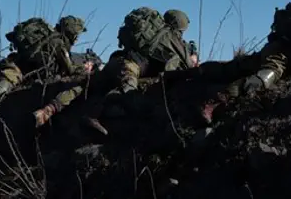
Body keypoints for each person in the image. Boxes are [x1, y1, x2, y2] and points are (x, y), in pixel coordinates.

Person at [32, 8, 197, 130]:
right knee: (128, 91)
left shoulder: (152, 28)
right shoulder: (173, 41)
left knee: (84, 85)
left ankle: (47, 110)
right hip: (130, 68)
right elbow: (189, 69)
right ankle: (94, 115)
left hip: (116, 61)